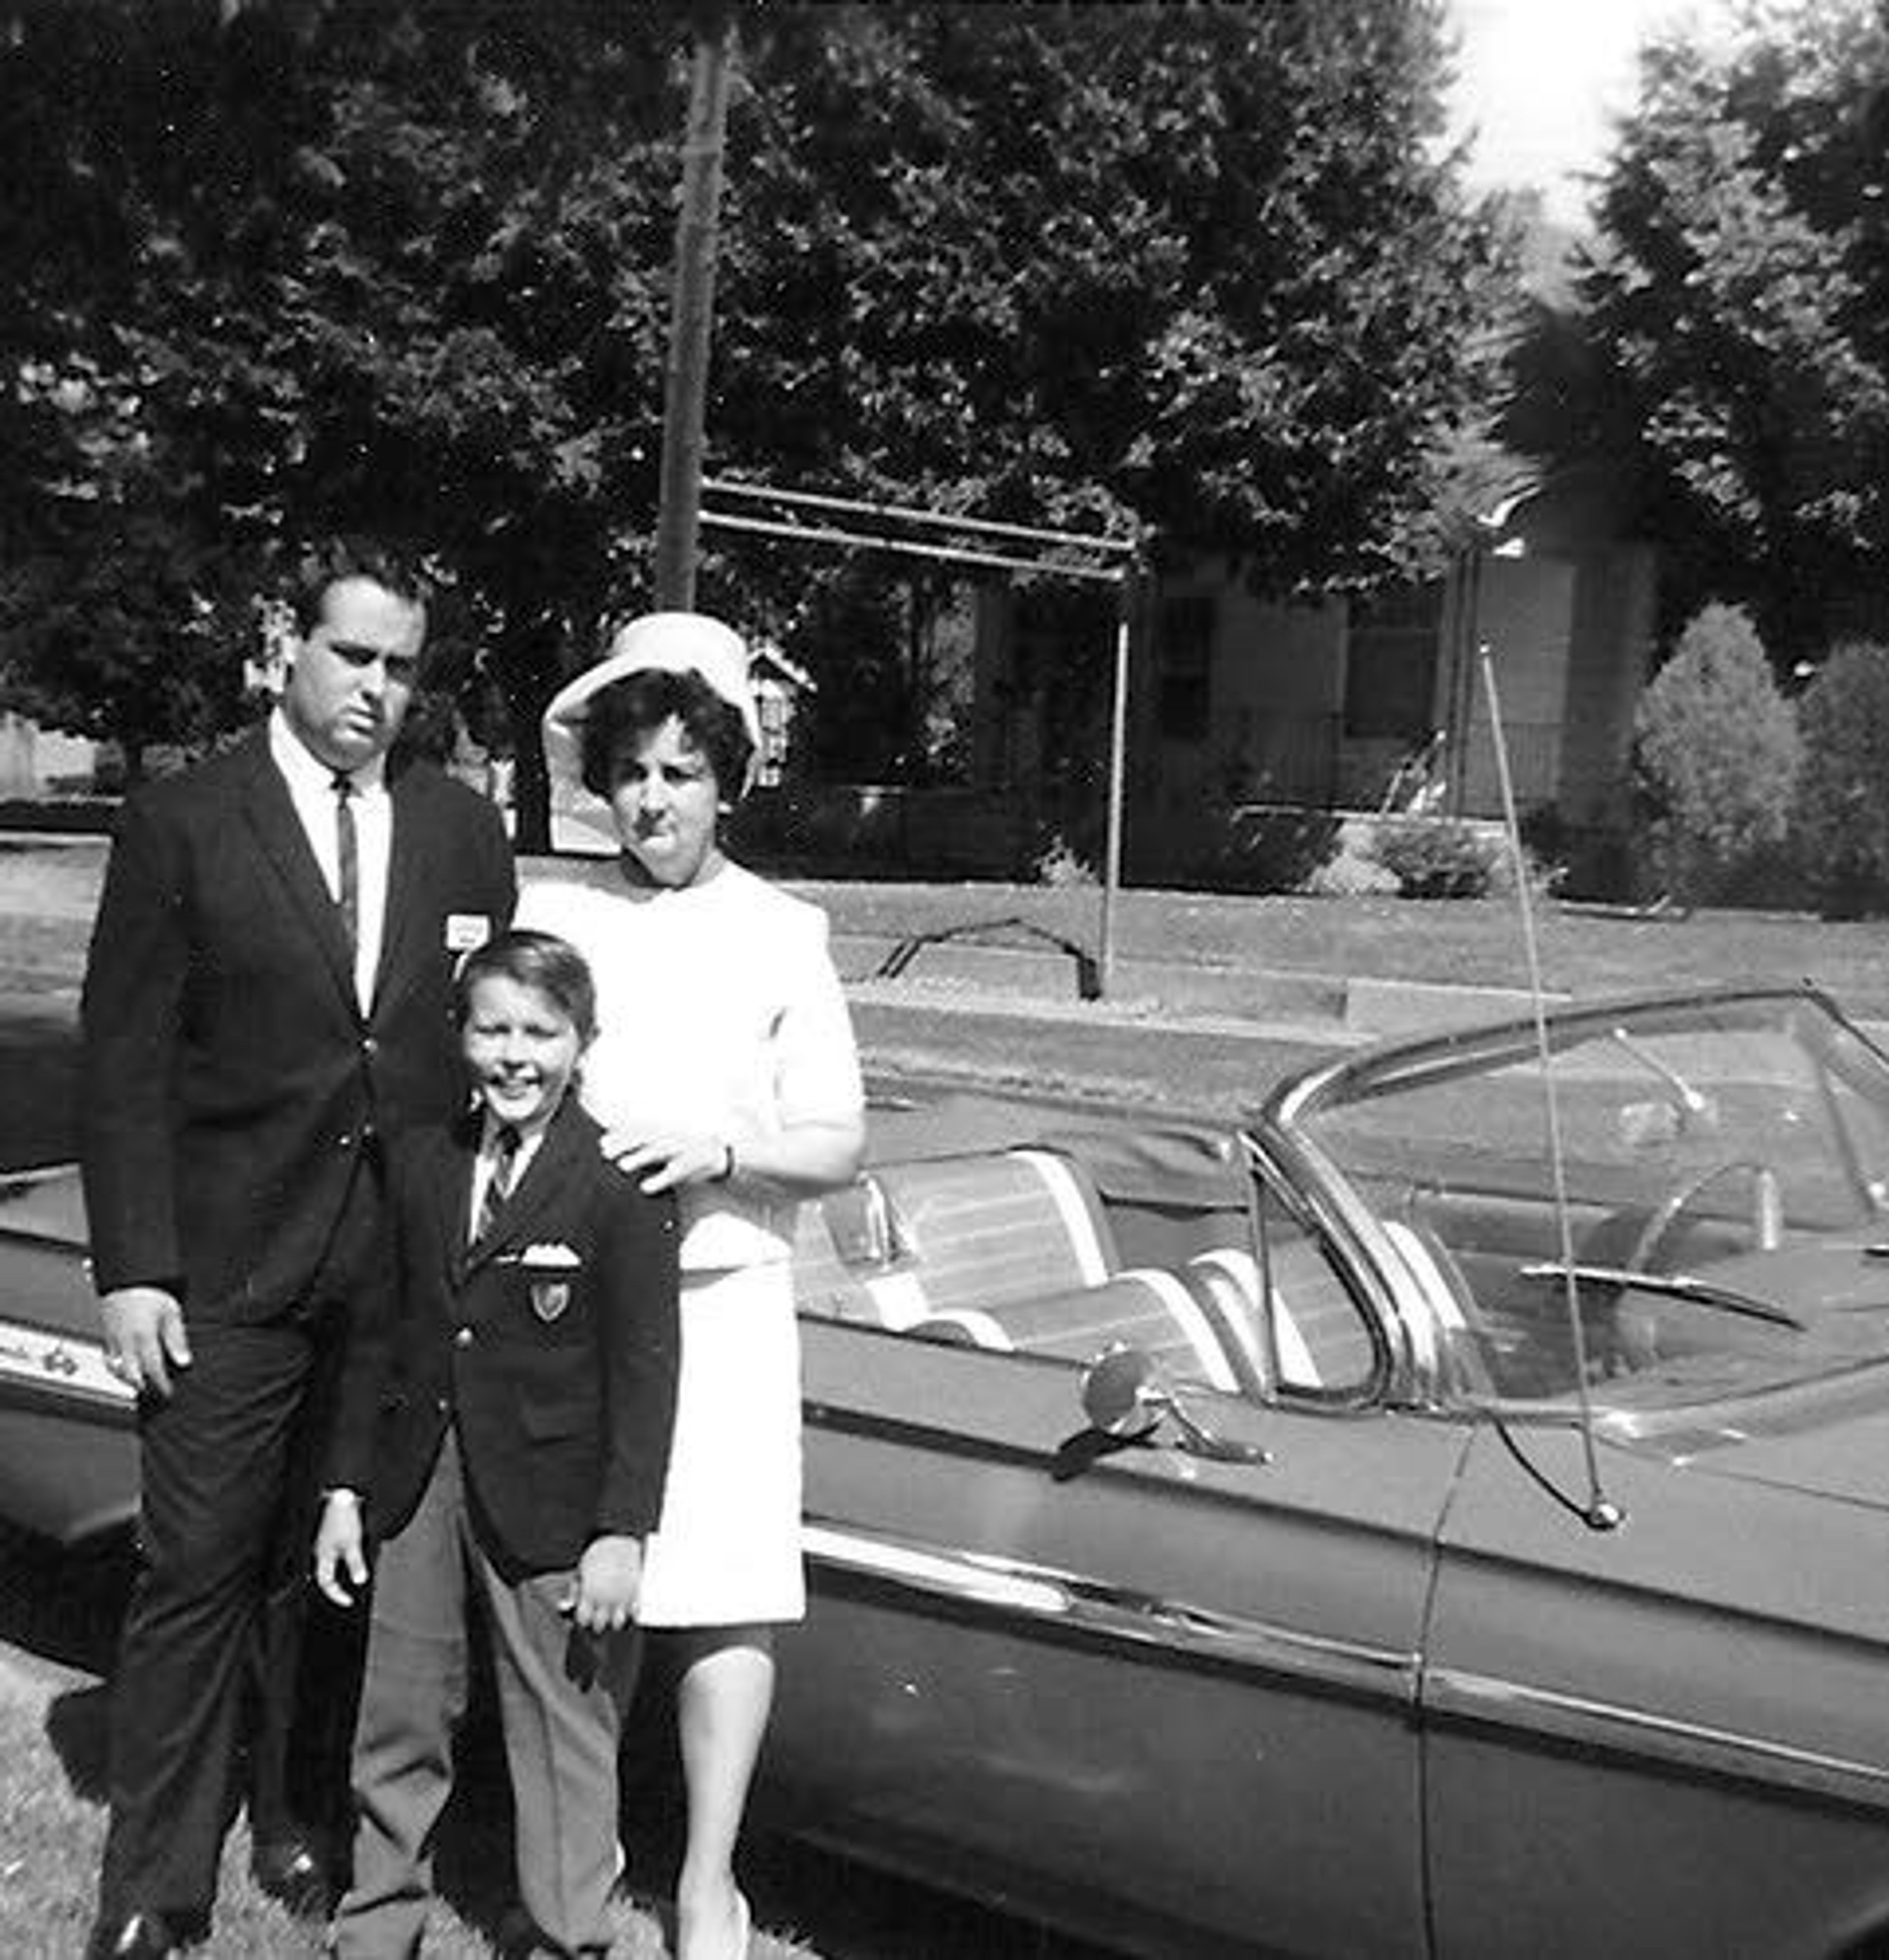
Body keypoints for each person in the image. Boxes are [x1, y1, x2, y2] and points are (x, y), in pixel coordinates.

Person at [78, 539, 517, 1960]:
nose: (376, 690)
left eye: (401, 667)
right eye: (353, 656)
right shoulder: (183, 822)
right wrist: (134, 1265)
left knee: (339, 1572)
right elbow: (124, 1059)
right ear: (289, 647)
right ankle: (155, 1883)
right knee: (200, 1567)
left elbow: (477, 1051)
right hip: (230, 1268)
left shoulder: (459, 833)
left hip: (394, 1280)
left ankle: (298, 1815)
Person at [524, 611, 866, 1960]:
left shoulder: (785, 932)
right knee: (587, 1587)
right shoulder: (551, 911)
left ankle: (709, 1880)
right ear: (599, 785)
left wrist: (723, 1153)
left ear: (727, 777)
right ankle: (579, 1852)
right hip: (569, 1307)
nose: (653, 799)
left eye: (681, 770)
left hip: (722, 1301)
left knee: (721, 1588)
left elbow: (836, 1141)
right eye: (631, 773)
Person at [315, 928, 681, 1960]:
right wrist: (345, 1487)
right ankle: (377, 1926)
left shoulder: (619, 1185)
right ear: (461, 1038)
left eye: (542, 1033)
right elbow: (376, 1335)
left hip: (555, 1496)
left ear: (583, 1042)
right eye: (493, 1031)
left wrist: (622, 1530)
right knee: (401, 1711)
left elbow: (649, 1377)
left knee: (563, 1722)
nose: (516, 1056)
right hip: (419, 1476)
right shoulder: (423, 1159)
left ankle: (567, 1933)